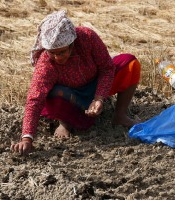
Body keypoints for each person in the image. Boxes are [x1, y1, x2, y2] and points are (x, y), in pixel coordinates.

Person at [11, 10, 141, 155]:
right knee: (53, 94)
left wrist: (99, 97)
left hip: (95, 83)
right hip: (68, 96)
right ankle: (64, 123)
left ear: (72, 44)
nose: (57, 57)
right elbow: (35, 98)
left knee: (130, 63)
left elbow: (107, 68)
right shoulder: (45, 63)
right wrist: (27, 138)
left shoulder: (87, 38)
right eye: (52, 53)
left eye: (62, 52)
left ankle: (120, 115)